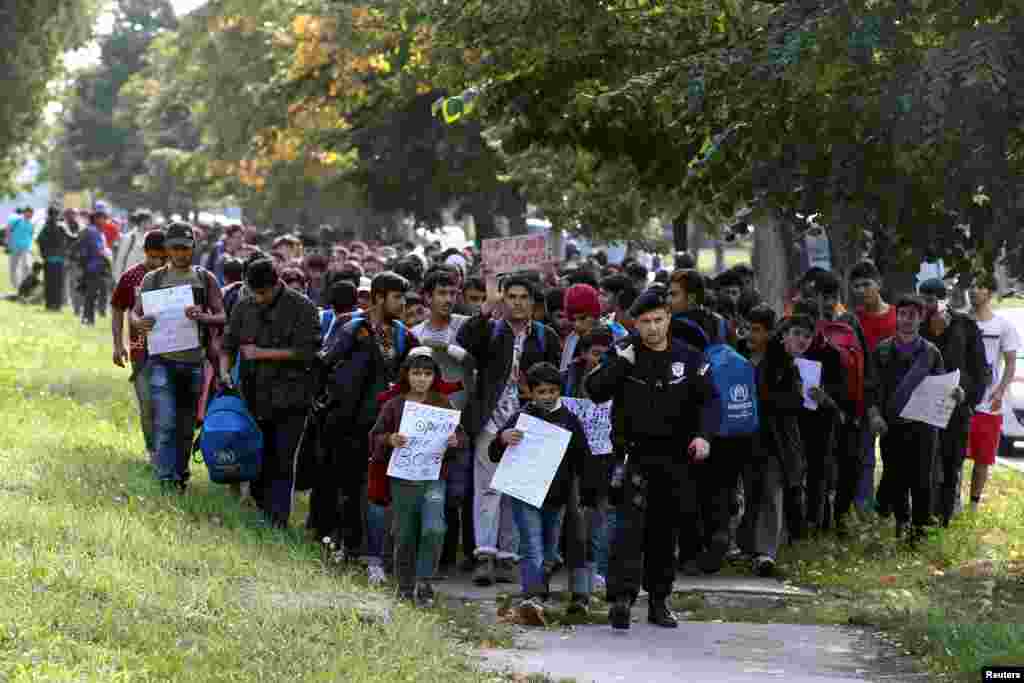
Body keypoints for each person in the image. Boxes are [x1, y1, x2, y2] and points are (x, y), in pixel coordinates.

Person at [585, 288, 713, 630]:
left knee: (664, 532)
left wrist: (703, 436)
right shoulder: (624, 352)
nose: (653, 328)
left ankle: (659, 600)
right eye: (645, 322)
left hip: (675, 458)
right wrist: (621, 364)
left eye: (659, 320)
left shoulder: (689, 357)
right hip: (633, 456)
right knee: (628, 531)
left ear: (669, 319)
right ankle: (622, 600)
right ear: (635, 323)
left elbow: (707, 402)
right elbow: (595, 390)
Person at [456, 274, 562, 586]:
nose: (517, 303)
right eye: (511, 296)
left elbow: (555, 380)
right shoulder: (489, 329)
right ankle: (484, 556)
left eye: (523, 297)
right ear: (503, 299)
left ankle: (508, 557)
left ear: (533, 302)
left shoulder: (545, 337)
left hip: (529, 424)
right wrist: (486, 308)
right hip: (490, 420)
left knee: (516, 490)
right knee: (487, 489)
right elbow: (464, 341)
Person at [315, 271, 419, 584]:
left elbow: (419, 367)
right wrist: (326, 406)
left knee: (376, 494)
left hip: (385, 430)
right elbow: (324, 362)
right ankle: (346, 547)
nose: (402, 304)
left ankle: (376, 557)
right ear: (377, 298)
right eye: (397, 297)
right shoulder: (352, 329)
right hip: (347, 426)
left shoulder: (403, 335)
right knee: (347, 489)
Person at [491, 362, 599, 623]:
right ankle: (533, 596)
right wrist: (503, 438)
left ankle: (541, 592)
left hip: (557, 496)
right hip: (524, 493)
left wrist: (587, 491)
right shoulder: (520, 418)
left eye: (552, 391)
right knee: (532, 545)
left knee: (549, 550)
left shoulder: (569, 420)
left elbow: (583, 458)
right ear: (531, 392)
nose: (547, 397)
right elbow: (494, 454)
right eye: (541, 392)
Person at [221, 258, 320, 528]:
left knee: (283, 459)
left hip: (292, 398)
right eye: (254, 292)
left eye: (263, 292)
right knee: (257, 456)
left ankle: (277, 520)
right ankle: (259, 511)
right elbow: (228, 344)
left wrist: (262, 353)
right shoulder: (244, 306)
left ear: (277, 284)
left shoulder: (302, 307)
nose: (259, 298)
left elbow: (307, 352)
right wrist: (224, 371)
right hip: (254, 395)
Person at [132, 223, 226, 492]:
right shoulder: (154, 280)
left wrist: (203, 316)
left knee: (186, 427)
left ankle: (180, 475)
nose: (181, 253)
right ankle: (165, 479)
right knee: (166, 422)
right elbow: (134, 313)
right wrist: (140, 323)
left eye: (185, 248)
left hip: (194, 362)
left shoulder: (205, 278)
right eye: (175, 248)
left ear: (193, 247)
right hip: (162, 361)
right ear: (167, 250)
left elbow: (222, 315)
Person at [370, 348, 467, 603]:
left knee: (434, 528)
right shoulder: (394, 405)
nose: (422, 379)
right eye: (416, 373)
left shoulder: (442, 404)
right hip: (402, 479)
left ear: (434, 377)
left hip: (434, 478)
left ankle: (424, 580)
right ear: (407, 375)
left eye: (427, 374)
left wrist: (455, 441)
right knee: (404, 533)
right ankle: (405, 585)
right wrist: (390, 439)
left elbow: (461, 437)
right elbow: (375, 437)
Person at [868, 295, 953, 544]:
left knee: (922, 477)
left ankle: (919, 528)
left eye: (912, 315)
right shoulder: (883, 350)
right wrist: (874, 415)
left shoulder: (930, 352)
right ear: (897, 316)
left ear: (921, 318)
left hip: (924, 426)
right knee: (895, 474)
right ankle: (901, 521)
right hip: (891, 424)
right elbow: (870, 388)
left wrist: (955, 394)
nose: (906, 320)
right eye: (902, 314)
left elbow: (943, 386)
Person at [412, 270, 474, 574]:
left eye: (452, 294)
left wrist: (452, 350)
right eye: (441, 293)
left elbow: (477, 362)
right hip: (424, 425)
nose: (448, 300)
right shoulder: (414, 332)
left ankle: (453, 555)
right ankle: (429, 558)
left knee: (457, 493)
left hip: (460, 423)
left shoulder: (464, 328)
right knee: (428, 490)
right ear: (427, 297)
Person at [736, 305, 803, 576]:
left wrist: (763, 399)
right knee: (749, 493)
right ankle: (747, 545)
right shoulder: (737, 355)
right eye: (747, 329)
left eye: (757, 330)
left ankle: (766, 552)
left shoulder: (781, 362)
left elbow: (795, 400)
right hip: (742, 438)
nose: (750, 335)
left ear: (769, 332)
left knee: (771, 493)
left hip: (773, 438)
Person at [918, 278, 989, 526]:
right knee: (924, 462)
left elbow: (979, 369)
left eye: (931, 300)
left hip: (956, 406)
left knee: (951, 463)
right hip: (924, 407)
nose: (927, 305)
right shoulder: (917, 326)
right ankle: (923, 516)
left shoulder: (965, 326)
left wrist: (968, 398)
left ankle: (945, 516)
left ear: (944, 299)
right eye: (923, 299)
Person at [111, 229, 168, 466]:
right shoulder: (131, 277)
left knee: (167, 406)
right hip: (140, 350)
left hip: (170, 350)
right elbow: (117, 308)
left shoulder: (175, 276)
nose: (157, 262)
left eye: (162, 257)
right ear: (145, 253)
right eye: (153, 257)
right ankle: (152, 451)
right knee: (146, 404)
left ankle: (168, 453)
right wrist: (117, 345)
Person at [967, 274, 1020, 511]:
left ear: (988, 292)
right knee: (953, 456)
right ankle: (951, 502)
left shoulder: (1003, 326)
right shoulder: (961, 322)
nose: (972, 291)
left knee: (983, 458)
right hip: (962, 401)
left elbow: (1010, 364)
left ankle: (973, 505)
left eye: (978, 287)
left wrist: (999, 392)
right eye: (970, 286)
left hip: (989, 403)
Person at [849, 260, 897, 512]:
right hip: (863, 395)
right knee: (863, 455)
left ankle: (891, 505)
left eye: (866, 284)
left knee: (896, 455)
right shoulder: (852, 320)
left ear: (878, 284)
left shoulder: (897, 316)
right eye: (856, 286)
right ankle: (863, 506)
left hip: (893, 395)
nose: (861, 290)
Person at [37, 207, 76, 311]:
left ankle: (49, 305)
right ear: (57, 215)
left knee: (49, 283)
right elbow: (72, 238)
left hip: (49, 260)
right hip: (59, 260)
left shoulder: (45, 227)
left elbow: (39, 240)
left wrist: (44, 254)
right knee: (58, 284)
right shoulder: (61, 226)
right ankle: (57, 306)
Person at [79, 210, 109, 326]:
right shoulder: (93, 231)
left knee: (91, 294)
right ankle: (88, 319)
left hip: (91, 266)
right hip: (93, 266)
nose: (105, 221)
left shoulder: (92, 230)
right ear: (96, 219)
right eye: (103, 218)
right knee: (91, 294)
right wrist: (107, 255)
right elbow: (99, 250)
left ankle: (87, 318)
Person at [113, 210, 154, 282]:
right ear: (142, 222)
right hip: (129, 278)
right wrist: (118, 279)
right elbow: (120, 258)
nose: (151, 224)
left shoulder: (150, 237)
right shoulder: (129, 237)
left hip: (143, 278)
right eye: (149, 222)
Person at [7, 207, 35, 291]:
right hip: (15, 247)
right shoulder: (16, 220)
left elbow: (30, 235)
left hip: (26, 248)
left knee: (27, 266)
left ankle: (24, 286)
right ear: (25, 212)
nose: (31, 215)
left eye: (32, 213)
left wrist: (30, 248)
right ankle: (17, 286)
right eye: (29, 213)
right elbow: (8, 230)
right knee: (13, 268)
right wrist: (8, 243)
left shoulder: (31, 223)